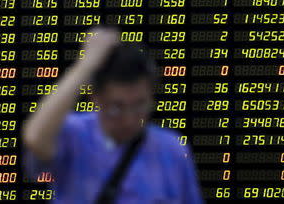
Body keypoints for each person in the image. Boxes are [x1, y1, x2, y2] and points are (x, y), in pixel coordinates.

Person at [21, 25, 204, 203]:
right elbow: (35, 137)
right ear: (95, 98)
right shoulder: (74, 135)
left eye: (140, 105)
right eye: (117, 107)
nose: (129, 119)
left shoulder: (172, 149)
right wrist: (86, 64)